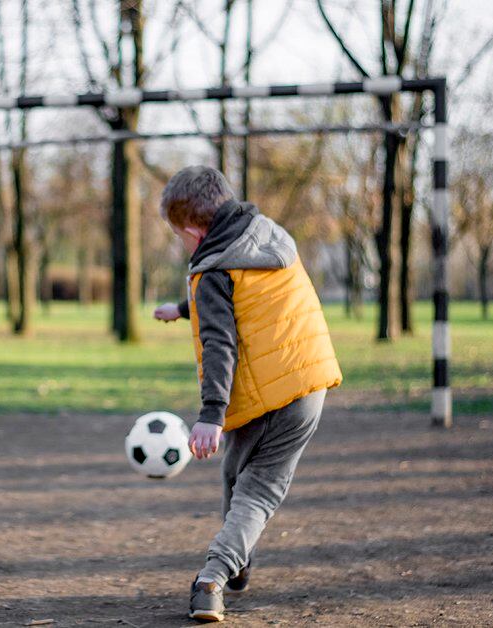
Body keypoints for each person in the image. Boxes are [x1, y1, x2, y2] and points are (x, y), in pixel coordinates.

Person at [152, 165, 342, 622]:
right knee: (238, 481)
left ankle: (211, 579)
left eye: (179, 236)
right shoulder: (266, 236)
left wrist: (211, 414)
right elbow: (249, 298)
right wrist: (183, 309)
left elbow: (221, 340)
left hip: (264, 393)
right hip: (306, 384)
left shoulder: (211, 269)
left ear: (194, 232)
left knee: (254, 492)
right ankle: (237, 564)